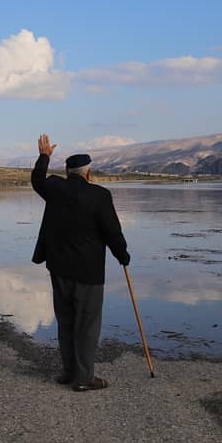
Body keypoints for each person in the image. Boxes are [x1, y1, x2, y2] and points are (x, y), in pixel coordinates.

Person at [31, 133, 130, 392]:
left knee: (66, 322)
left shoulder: (55, 188)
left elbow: (37, 180)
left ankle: (69, 372)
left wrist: (44, 157)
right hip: (88, 273)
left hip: (58, 268)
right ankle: (84, 378)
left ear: (67, 172)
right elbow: (112, 232)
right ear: (89, 173)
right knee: (86, 325)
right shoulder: (100, 195)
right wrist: (123, 255)